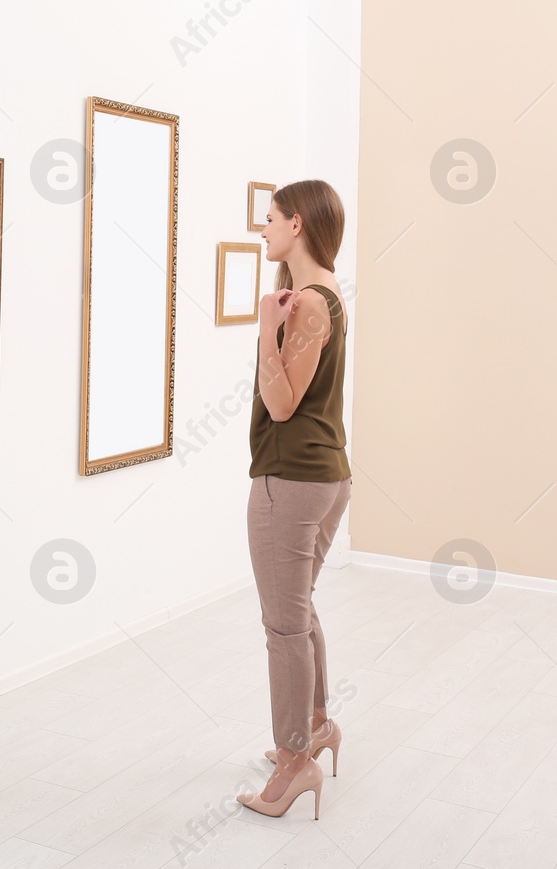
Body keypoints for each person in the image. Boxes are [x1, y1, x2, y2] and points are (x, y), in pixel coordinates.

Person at [235, 178, 353, 820]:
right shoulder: (330, 292)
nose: (265, 229)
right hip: (328, 476)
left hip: (293, 480)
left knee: (283, 626)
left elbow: (281, 405)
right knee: (300, 610)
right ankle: (316, 725)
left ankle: (293, 763)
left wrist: (264, 328)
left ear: (299, 225)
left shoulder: (307, 303)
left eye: (273, 218)